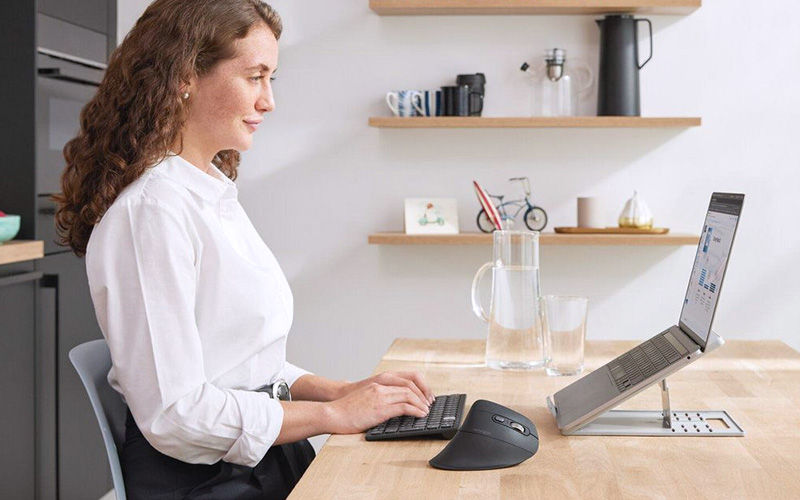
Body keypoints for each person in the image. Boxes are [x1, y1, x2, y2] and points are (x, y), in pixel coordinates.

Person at [53, 1, 433, 498]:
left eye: (271, 77)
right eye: (255, 76)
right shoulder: (152, 213)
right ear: (184, 76)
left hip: (256, 458)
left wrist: (340, 391)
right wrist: (331, 415)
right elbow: (175, 415)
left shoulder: (208, 193)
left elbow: (244, 363)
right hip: (207, 480)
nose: (269, 100)